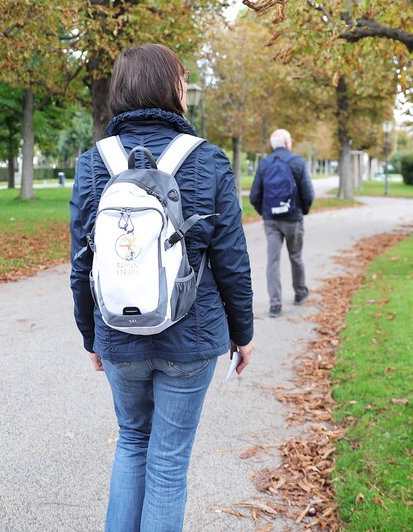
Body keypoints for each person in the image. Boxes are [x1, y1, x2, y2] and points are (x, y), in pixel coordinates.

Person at [69, 43, 255, 532]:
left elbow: (80, 262)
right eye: (183, 77)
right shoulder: (208, 160)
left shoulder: (94, 163)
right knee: (169, 461)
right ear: (172, 87)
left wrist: (91, 337)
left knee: (132, 442)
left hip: (118, 335)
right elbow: (232, 259)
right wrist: (244, 332)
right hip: (191, 337)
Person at [250, 128, 315, 317]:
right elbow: (308, 193)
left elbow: (255, 195)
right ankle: (300, 291)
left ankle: (275, 304)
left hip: (271, 220)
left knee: (272, 261)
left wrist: (264, 212)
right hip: (293, 218)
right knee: (295, 256)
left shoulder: (264, 164)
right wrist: (303, 211)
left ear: (272, 145)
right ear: (288, 143)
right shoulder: (297, 162)